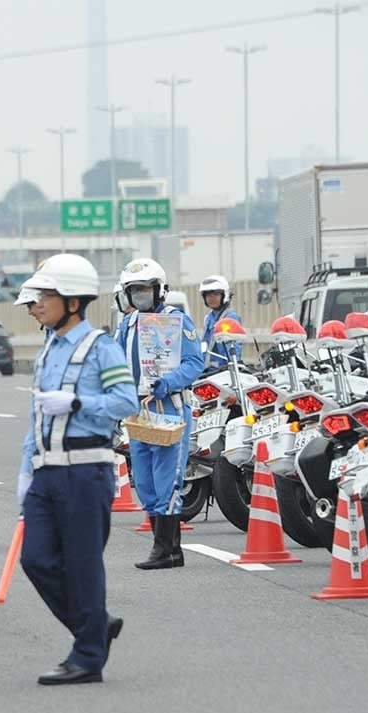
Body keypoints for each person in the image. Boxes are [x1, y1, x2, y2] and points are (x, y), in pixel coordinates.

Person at [15, 254, 138, 685]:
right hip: (47, 471)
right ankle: (95, 628)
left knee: (83, 565)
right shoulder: (47, 348)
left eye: (44, 295)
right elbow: (38, 416)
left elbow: (127, 402)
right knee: (36, 560)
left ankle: (87, 656)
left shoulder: (102, 347)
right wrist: (26, 471)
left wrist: (80, 403)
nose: (36, 304)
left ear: (71, 299)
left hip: (87, 471)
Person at [116, 258, 205, 570]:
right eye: (133, 290)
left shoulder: (177, 321)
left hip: (170, 407)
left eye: (144, 288)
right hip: (139, 410)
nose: (139, 294)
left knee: (167, 479)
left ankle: (163, 549)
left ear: (159, 289)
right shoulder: (126, 324)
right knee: (144, 480)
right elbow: (117, 363)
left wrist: (168, 383)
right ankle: (171, 550)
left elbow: (195, 362)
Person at [199, 274, 243, 366]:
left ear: (225, 295)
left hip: (224, 372)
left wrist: (233, 366)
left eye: (216, 294)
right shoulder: (208, 318)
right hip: (207, 371)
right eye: (208, 295)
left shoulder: (230, 318)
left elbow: (233, 349)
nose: (212, 298)